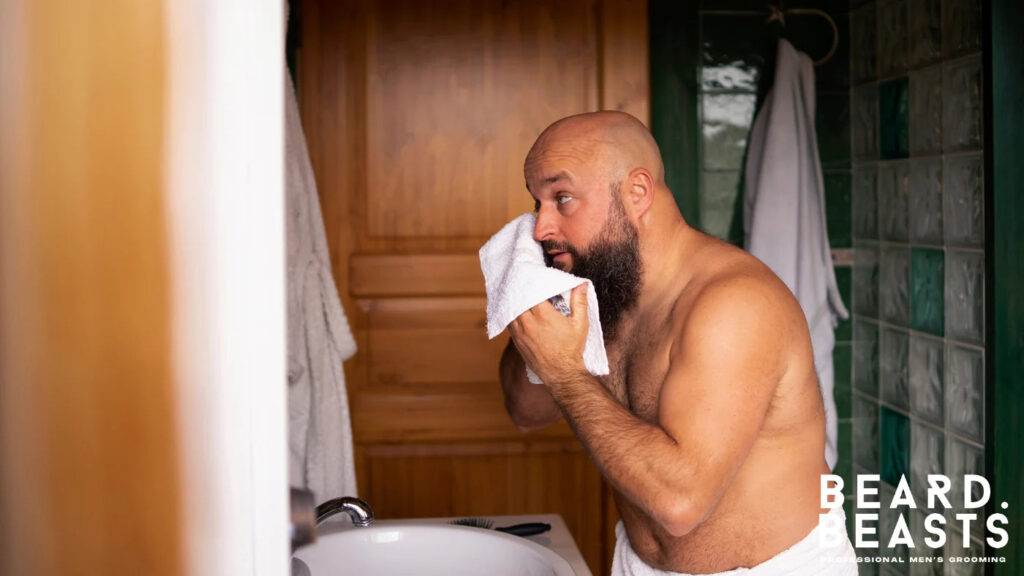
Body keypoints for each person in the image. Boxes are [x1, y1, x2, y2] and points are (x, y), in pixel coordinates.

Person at [499, 111, 856, 575]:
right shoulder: (601, 288)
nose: (540, 228)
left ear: (637, 193)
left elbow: (681, 502)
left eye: (562, 198)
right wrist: (530, 299)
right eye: (537, 202)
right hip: (638, 562)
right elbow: (525, 412)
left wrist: (566, 373)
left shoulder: (732, 304)